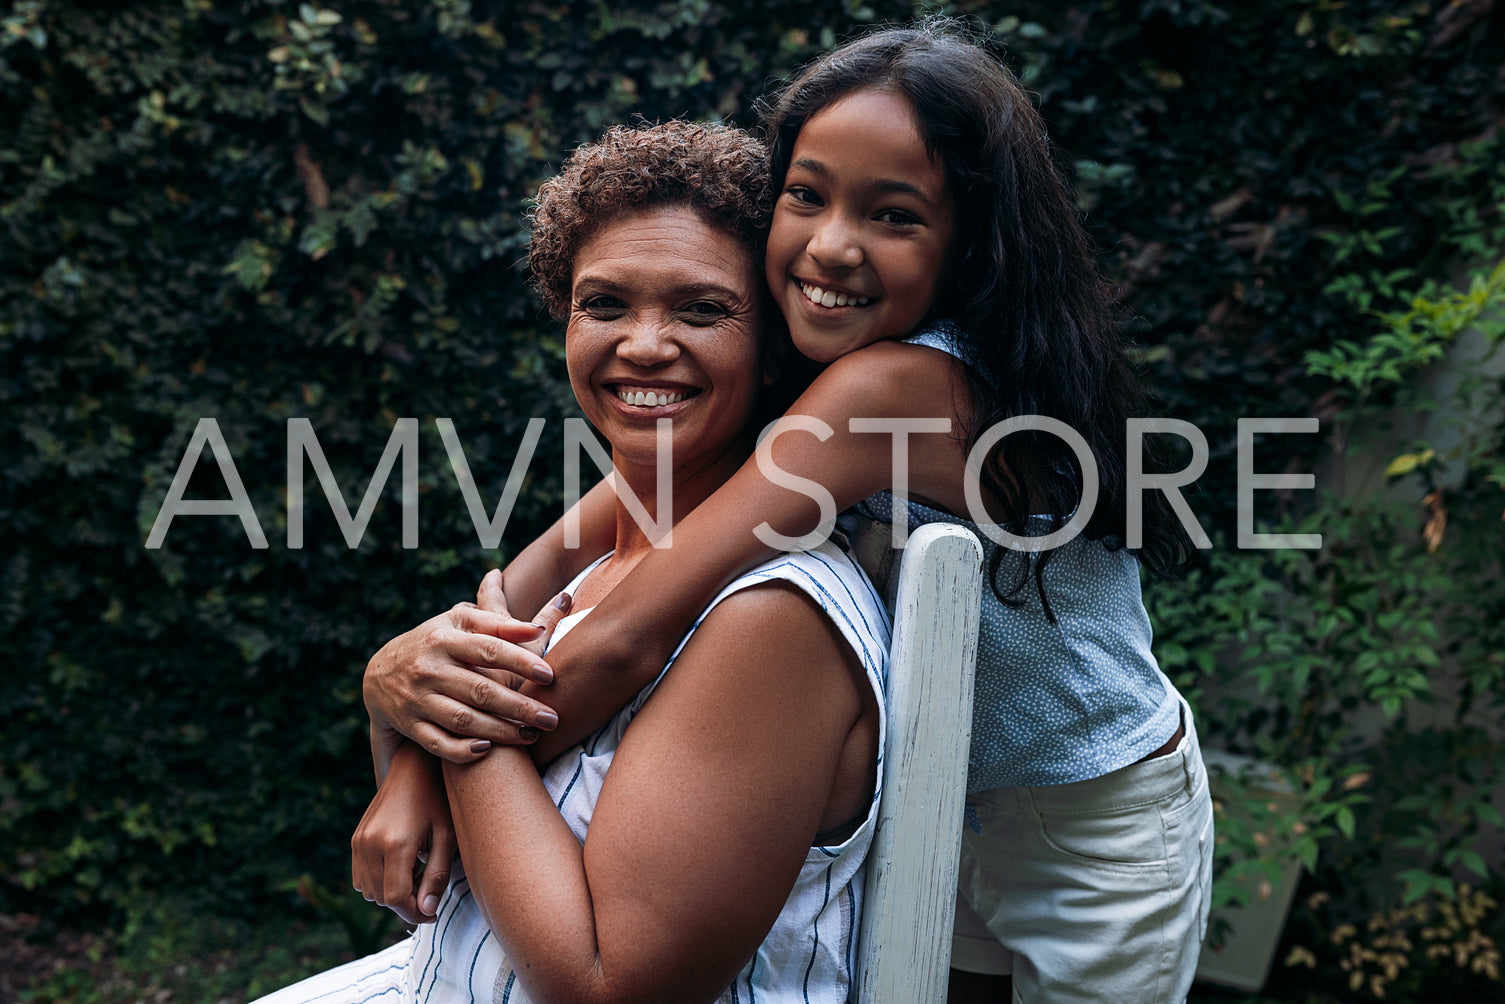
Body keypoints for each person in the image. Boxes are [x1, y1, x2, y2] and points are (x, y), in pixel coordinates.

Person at [367, 20, 1214, 1003]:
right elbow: (549, 563)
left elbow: (626, 639)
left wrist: (431, 759)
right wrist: (420, 677)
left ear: (971, 239)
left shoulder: (888, 389)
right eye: (805, 196)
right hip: (948, 792)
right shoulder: (823, 373)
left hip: (1091, 821)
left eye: (892, 215)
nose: (831, 244)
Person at [254, 120, 891, 1004]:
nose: (641, 345)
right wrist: (394, 689)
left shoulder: (770, 618)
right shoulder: (595, 557)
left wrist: (443, 714)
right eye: (604, 304)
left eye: (702, 310)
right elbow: (450, 871)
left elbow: (610, 990)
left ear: (777, 340)